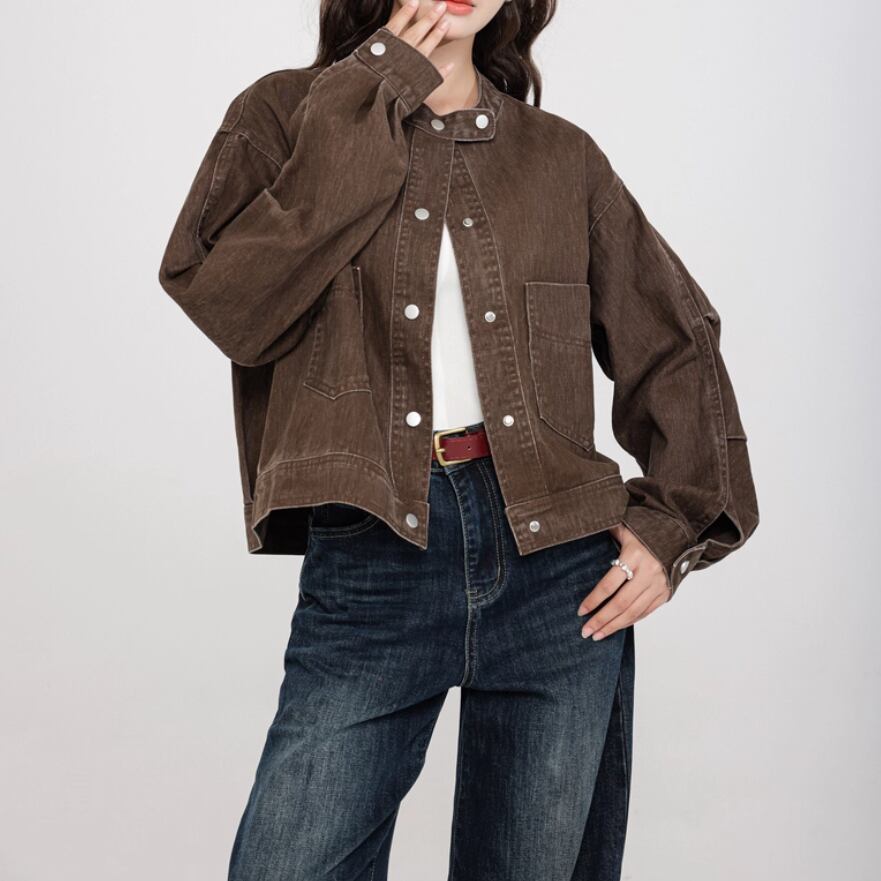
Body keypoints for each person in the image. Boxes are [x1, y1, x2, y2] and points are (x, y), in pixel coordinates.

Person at [157, 1, 760, 878]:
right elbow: (231, 306)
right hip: (375, 547)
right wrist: (376, 88)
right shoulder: (285, 115)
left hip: (558, 569)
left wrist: (674, 525)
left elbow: (673, 337)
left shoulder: (559, 157)